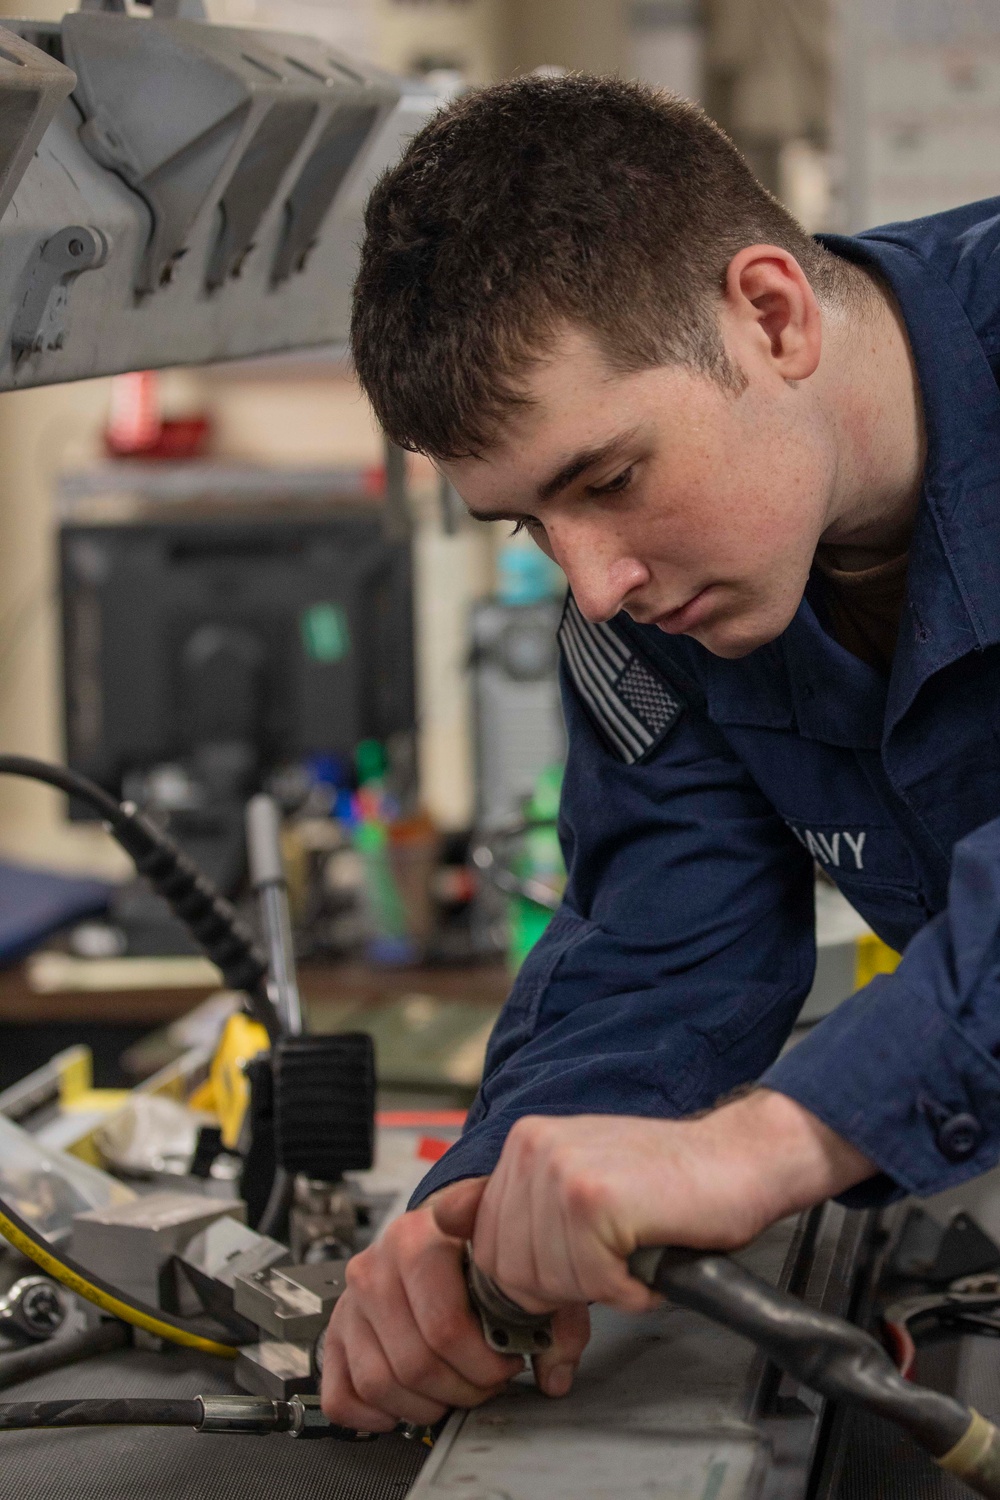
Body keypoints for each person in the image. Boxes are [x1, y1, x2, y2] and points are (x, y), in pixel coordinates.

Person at [321, 72, 1000, 1432]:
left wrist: (768, 1145)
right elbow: (661, 943)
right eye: (527, 522)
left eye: (609, 478)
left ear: (770, 314)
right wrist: (494, 1194)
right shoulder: (651, 613)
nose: (593, 584)